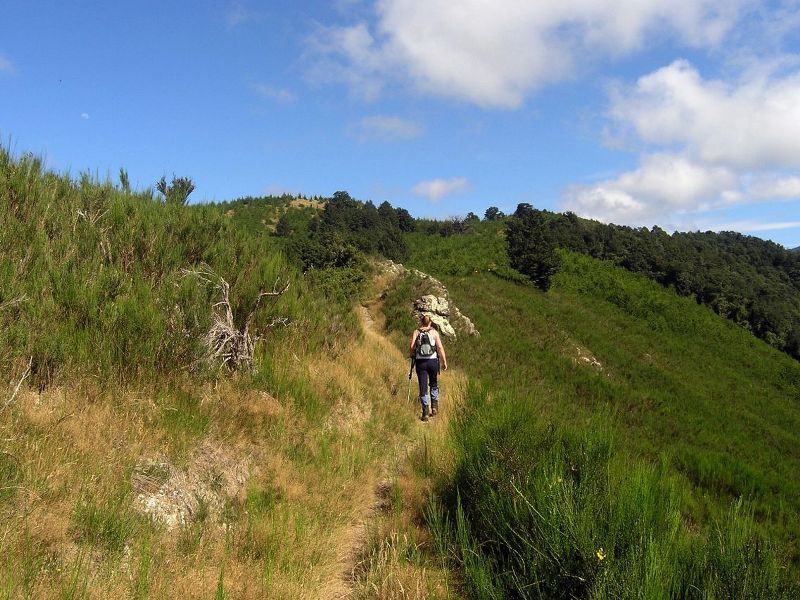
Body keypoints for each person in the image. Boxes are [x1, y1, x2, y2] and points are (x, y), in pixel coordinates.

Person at [409, 315, 448, 422]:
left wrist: (412, 355)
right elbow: (440, 347)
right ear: (430, 322)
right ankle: (434, 407)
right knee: (434, 383)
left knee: (423, 386)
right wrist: (444, 361)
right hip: (432, 362)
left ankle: (425, 412)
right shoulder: (434, 333)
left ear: (422, 322)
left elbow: (412, 347)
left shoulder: (416, 332)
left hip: (421, 362)